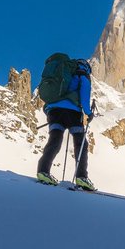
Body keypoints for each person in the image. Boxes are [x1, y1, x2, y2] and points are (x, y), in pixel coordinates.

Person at [37, 58, 96, 190]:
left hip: (54, 112)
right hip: (72, 114)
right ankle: (82, 178)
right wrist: (88, 113)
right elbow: (84, 94)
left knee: (55, 140)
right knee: (81, 144)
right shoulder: (82, 75)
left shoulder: (63, 74)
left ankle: (43, 171)